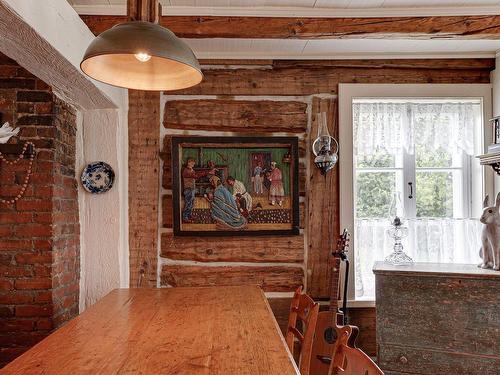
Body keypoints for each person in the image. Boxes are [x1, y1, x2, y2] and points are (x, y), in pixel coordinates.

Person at [181, 158, 214, 223]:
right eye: (192, 163)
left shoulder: (191, 170)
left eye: (194, 164)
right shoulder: (186, 170)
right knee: (188, 203)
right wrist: (207, 172)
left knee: (191, 203)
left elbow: (196, 174)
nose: (193, 165)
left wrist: (207, 171)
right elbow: (196, 176)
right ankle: (185, 217)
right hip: (188, 189)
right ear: (189, 163)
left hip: (191, 189)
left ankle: (189, 215)